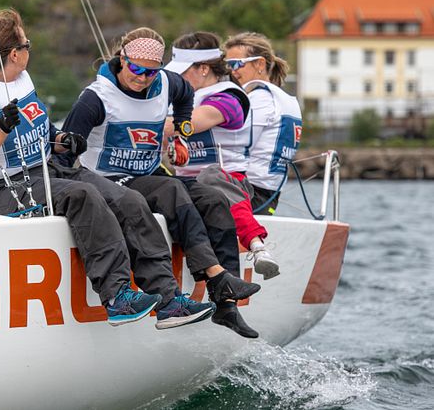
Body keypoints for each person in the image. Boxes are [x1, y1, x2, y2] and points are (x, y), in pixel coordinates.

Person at [0, 9, 214, 330]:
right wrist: (0, 127)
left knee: (129, 200)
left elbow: (41, 129)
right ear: (14, 54)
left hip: (46, 170)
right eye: (27, 45)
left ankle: (168, 300)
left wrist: (62, 139)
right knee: (84, 195)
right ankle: (117, 297)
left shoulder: (21, 79)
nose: (29, 50)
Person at [61, 27, 260, 338]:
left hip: (148, 173)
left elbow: (185, 94)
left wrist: (181, 126)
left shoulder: (167, 82)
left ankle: (227, 302)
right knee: (172, 190)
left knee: (213, 199)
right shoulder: (96, 98)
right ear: (122, 60)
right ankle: (211, 277)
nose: (142, 78)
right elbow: (62, 154)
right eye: (136, 69)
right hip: (111, 180)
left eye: (150, 73)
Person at [164, 31, 280, 283]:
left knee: (210, 178)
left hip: (228, 179)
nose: (176, 79)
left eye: (182, 72)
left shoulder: (229, 98)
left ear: (203, 69)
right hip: (186, 184)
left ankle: (258, 246)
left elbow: (189, 124)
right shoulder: (179, 99)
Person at [223, 32, 302, 215]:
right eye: (228, 65)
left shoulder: (259, 98)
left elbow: (237, 143)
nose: (232, 71)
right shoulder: (286, 99)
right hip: (270, 192)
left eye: (236, 64)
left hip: (250, 193)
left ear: (259, 63)